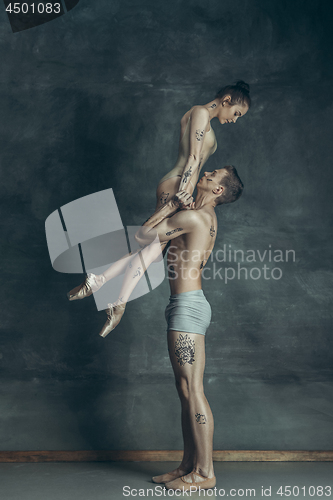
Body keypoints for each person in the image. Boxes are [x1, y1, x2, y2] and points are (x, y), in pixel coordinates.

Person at [67, 82, 250, 335]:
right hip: (177, 185)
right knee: (151, 243)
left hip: (178, 184)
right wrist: (185, 193)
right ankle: (112, 298)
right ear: (227, 100)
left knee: (153, 248)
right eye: (237, 113)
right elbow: (193, 159)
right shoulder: (200, 113)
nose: (235, 120)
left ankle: (101, 285)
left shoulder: (203, 118)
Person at [132, 166, 243, 491]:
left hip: (188, 308)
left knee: (192, 390)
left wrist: (168, 207)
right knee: (185, 390)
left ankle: (205, 472)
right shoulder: (202, 215)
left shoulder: (195, 218)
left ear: (219, 190)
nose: (207, 172)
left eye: (214, 174)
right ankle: (188, 465)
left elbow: (142, 236)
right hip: (184, 305)